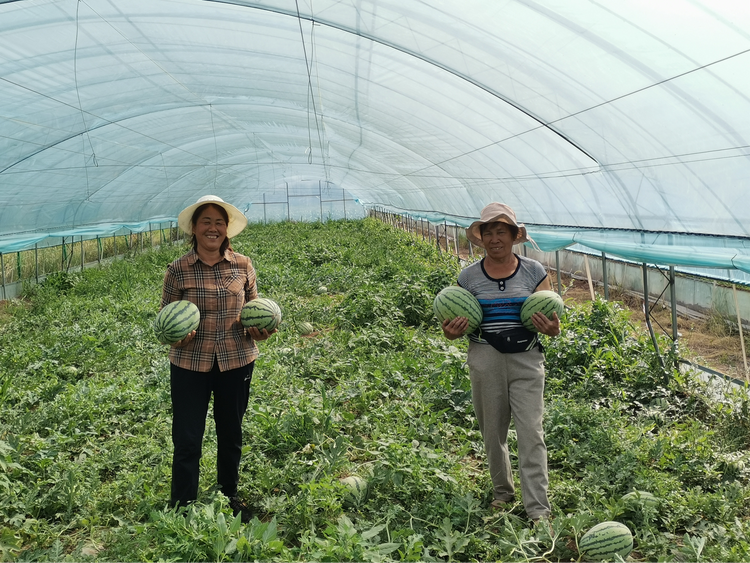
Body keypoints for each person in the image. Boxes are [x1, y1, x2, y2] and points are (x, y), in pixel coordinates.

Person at [441, 202, 560, 524]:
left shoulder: (535, 271)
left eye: (501, 231)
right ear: (481, 238)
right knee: (492, 431)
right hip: (485, 357)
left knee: (531, 432)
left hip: (526, 359)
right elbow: (455, 322)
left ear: (513, 236)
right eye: (489, 232)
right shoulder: (467, 277)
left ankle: (538, 508)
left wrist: (553, 329)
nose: (495, 238)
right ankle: (502, 492)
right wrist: (451, 333)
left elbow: (550, 319)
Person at [160, 194, 275, 521]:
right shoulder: (178, 270)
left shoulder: (243, 265)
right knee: (187, 438)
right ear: (194, 228)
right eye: (206, 221)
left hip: (236, 360)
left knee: (231, 433)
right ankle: (182, 507)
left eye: (219, 222)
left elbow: (254, 308)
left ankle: (229, 494)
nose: (213, 228)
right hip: (189, 364)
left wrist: (261, 329)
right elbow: (164, 317)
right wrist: (175, 333)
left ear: (227, 230)